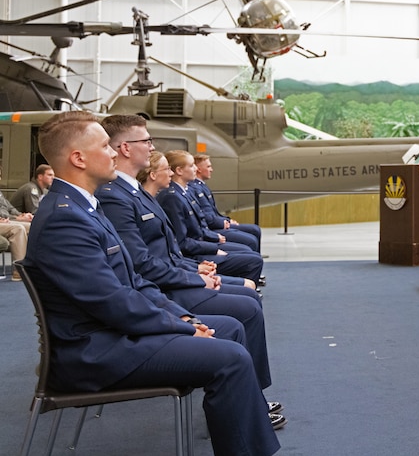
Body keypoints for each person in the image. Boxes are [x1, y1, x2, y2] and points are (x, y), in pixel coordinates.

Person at [21, 111, 281, 456]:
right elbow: (112, 301)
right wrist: (181, 326)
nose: (113, 152)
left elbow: (134, 280)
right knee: (230, 357)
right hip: (95, 350)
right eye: (105, 146)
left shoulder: (84, 208)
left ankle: (242, 429)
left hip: (115, 333)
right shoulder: (65, 219)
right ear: (79, 158)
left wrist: (183, 318)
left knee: (229, 330)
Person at [95, 116, 281, 421]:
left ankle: (250, 400)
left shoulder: (135, 193)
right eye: (147, 141)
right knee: (246, 309)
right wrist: (192, 278)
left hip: (168, 283)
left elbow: (167, 250)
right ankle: (251, 403)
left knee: (248, 299)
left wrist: (196, 271)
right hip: (163, 290)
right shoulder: (115, 197)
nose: (152, 147)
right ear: (126, 148)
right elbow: (139, 265)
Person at [157, 150, 265, 286]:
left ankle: (245, 287)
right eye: (191, 165)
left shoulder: (182, 193)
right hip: (194, 255)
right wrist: (213, 247)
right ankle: (244, 288)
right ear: (179, 170)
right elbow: (183, 242)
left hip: (201, 244)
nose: (195, 168)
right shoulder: (172, 197)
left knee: (251, 252)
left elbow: (200, 225)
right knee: (253, 259)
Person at [191, 154, 262, 253]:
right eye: (208, 166)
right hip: (212, 228)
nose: (211, 170)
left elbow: (213, 212)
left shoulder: (201, 186)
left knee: (255, 230)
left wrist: (227, 220)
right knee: (251, 239)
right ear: (199, 169)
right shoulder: (195, 188)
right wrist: (223, 223)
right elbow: (206, 216)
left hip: (216, 224)